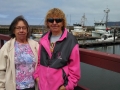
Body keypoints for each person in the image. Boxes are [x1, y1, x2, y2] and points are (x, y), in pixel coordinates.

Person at [34, 8, 81, 90]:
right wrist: (37, 76)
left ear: (63, 22)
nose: (54, 23)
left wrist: (67, 86)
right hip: (42, 86)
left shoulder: (71, 40)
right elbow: (39, 60)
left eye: (58, 20)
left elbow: (75, 69)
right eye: (51, 20)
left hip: (60, 87)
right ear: (47, 23)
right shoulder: (44, 38)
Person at [0, 15, 39, 90]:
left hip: (33, 87)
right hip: (14, 87)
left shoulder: (35, 45)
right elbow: (1, 70)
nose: (21, 30)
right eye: (18, 28)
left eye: (24, 28)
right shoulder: (7, 47)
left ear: (27, 30)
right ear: (13, 30)